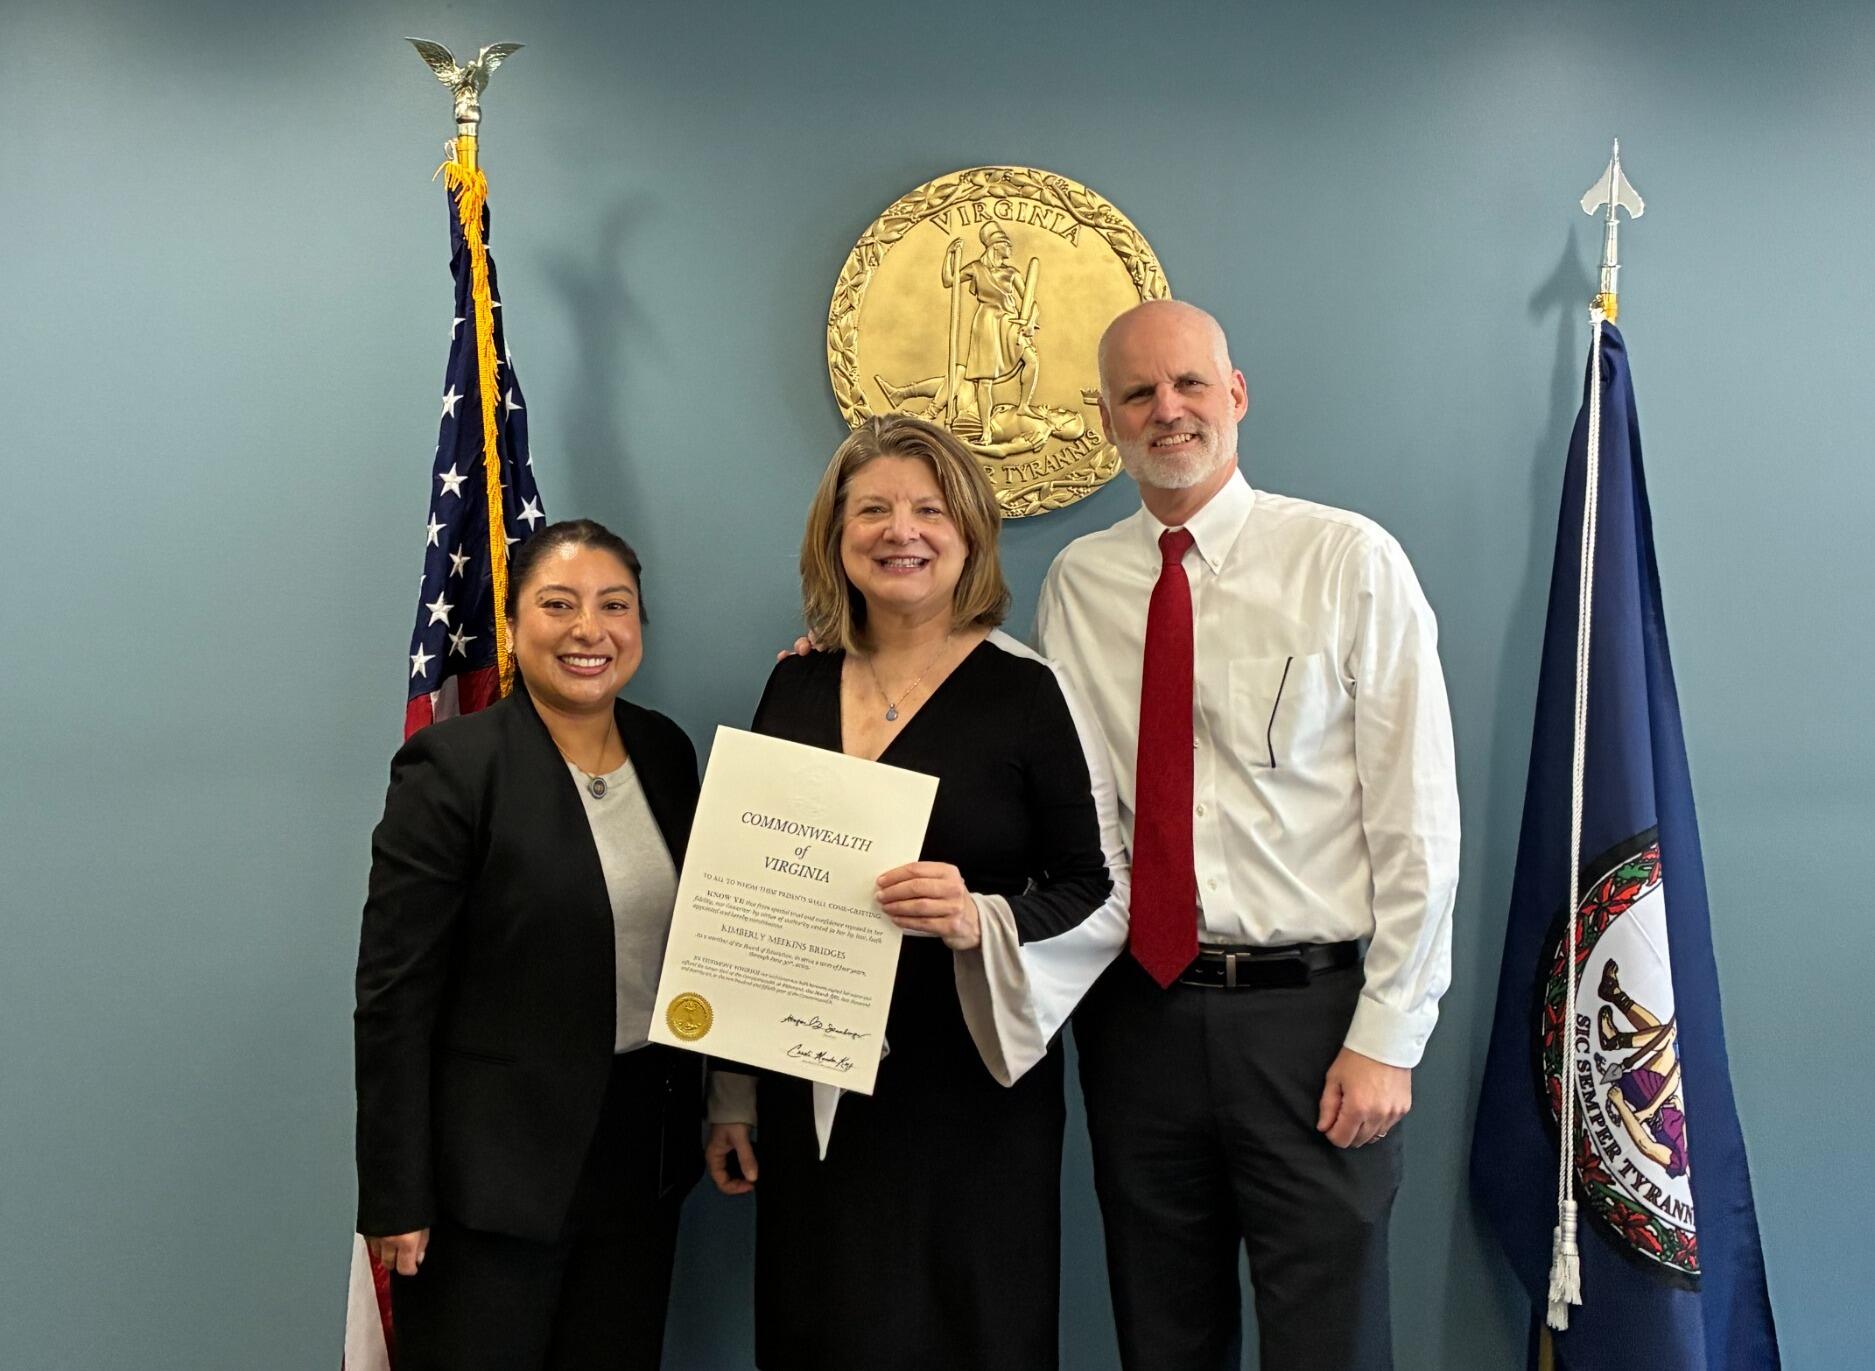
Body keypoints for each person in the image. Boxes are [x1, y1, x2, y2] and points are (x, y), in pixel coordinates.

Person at [1034, 300, 1460, 1371]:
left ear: (1236, 395)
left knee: (1330, 1340)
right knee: (1161, 1333)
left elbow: (1418, 818)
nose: (1165, 411)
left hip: (1314, 1027)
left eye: (1187, 385)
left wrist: (1389, 1034)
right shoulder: (1079, 584)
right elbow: (1071, 802)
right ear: (1106, 419)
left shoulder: (1348, 561)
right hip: (1139, 1020)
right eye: (1137, 393)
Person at [707, 414, 1128, 1371]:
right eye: (873, 510)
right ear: (835, 536)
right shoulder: (795, 687)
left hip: (968, 1087)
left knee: (965, 1329)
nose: (902, 530)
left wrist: (981, 915)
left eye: (929, 509)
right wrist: (729, 1091)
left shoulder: (1030, 691)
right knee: (821, 1325)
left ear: (970, 533)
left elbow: (1093, 887)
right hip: (810, 1078)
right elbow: (743, 898)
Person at [354, 520, 703, 1371]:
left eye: (614, 605)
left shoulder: (666, 751)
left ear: (640, 626)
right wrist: (396, 1192)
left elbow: (706, 939)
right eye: (559, 603)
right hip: (490, 1180)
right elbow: (394, 995)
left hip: (640, 1159)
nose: (590, 628)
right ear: (513, 627)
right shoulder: (453, 766)